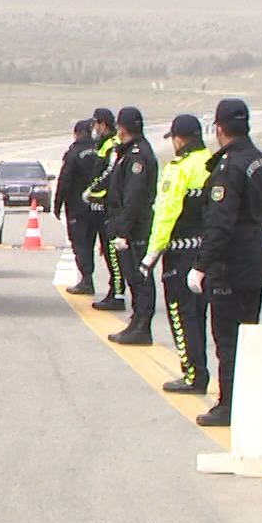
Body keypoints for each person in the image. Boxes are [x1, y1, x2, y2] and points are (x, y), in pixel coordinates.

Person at [191, 98, 262, 427]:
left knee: (227, 339)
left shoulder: (229, 167)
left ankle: (228, 405)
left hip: (229, 264)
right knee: (249, 337)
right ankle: (246, 400)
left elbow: (220, 223)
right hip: (256, 260)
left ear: (220, 128)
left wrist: (201, 265)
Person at [141, 114, 214, 394]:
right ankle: (201, 370)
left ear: (180, 139)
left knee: (181, 315)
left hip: (180, 253)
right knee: (200, 315)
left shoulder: (179, 169)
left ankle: (192, 373)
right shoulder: (211, 164)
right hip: (205, 252)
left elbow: (167, 214)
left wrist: (152, 254)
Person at [106, 106, 158, 345]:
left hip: (135, 229)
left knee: (139, 278)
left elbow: (134, 197)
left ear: (122, 127)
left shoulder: (137, 155)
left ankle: (142, 326)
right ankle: (136, 322)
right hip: (128, 225)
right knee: (133, 277)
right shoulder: (128, 153)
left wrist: (124, 231)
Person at [52, 119, 102, 296]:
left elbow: (65, 180)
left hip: (77, 207)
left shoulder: (73, 153)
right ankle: (88, 278)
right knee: (90, 242)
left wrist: (57, 204)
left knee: (80, 244)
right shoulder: (100, 150)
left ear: (77, 134)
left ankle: (87, 279)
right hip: (98, 207)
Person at [84, 107, 125, 311]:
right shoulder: (103, 144)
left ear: (103, 124)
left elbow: (108, 173)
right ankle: (113, 290)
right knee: (107, 250)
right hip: (101, 204)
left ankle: (117, 293)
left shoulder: (112, 145)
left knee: (112, 252)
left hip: (109, 206)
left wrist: (92, 189)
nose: (94, 128)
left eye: (96, 124)